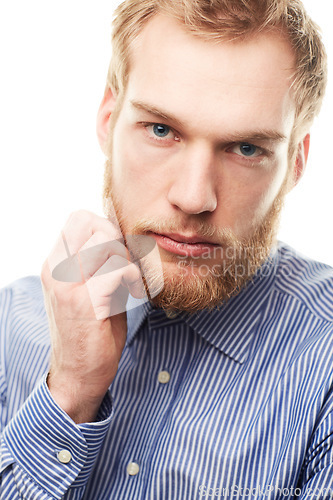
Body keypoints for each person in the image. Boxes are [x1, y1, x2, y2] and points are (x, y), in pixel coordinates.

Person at [0, 0, 332, 498]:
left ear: (296, 164)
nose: (195, 197)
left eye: (246, 149)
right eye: (161, 130)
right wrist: (66, 396)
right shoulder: (12, 323)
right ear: (108, 120)